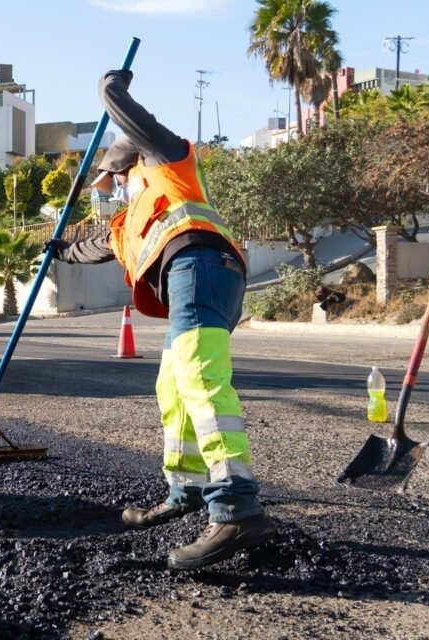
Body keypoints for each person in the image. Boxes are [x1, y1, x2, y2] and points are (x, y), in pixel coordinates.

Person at [46, 70, 273, 570]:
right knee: (172, 386)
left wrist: (109, 91)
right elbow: (92, 247)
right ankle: (186, 488)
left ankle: (237, 506)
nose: (115, 189)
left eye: (116, 178)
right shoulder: (128, 222)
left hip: (206, 267)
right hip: (193, 279)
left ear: (130, 164)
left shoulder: (169, 161)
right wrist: (59, 250)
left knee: (199, 379)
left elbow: (132, 118)